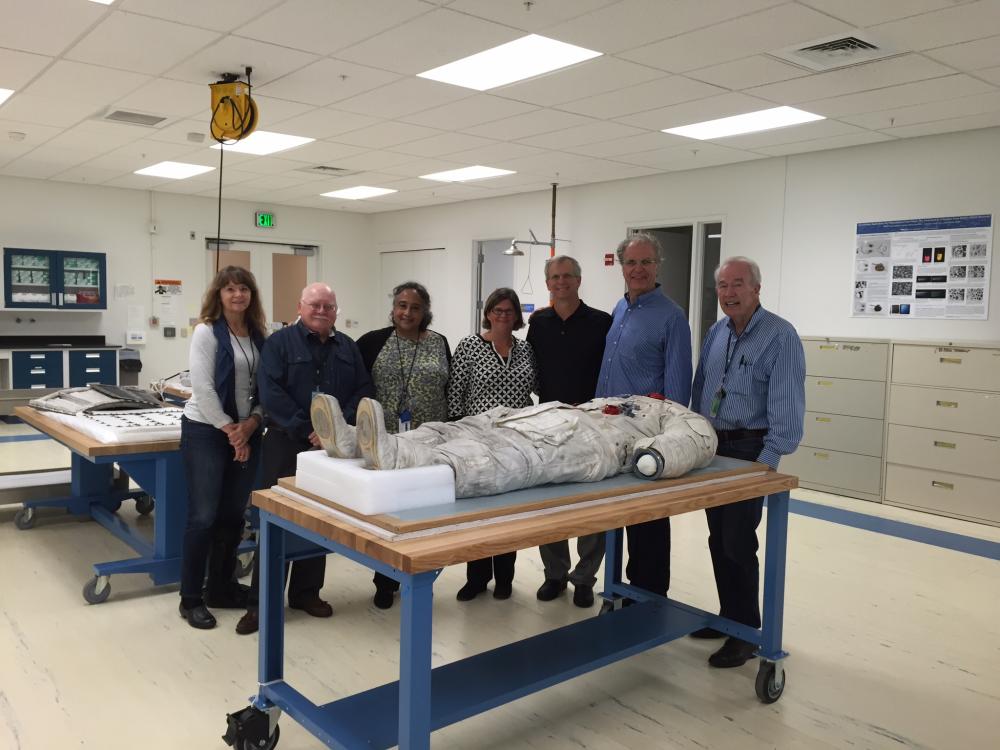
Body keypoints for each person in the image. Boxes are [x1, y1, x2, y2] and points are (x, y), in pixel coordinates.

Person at [235, 282, 373, 635]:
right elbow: (271, 392)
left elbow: (363, 389)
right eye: (315, 305)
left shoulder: (348, 347)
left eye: (329, 306)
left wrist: (334, 425)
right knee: (274, 522)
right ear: (300, 306)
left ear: (336, 311)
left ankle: (307, 593)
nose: (322, 311)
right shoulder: (279, 344)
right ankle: (261, 604)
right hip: (286, 444)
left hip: (331, 450)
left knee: (320, 522)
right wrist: (309, 427)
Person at [690, 256, 805, 668]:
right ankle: (729, 618)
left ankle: (746, 631)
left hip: (749, 451)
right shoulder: (717, 332)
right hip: (716, 449)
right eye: (722, 286)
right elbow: (702, 385)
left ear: (757, 289)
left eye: (737, 284)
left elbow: (788, 407)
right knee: (718, 538)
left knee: (739, 542)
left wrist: (767, 463)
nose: (728, 293)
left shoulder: (780, 336)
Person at [310, 393, 716, 495]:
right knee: (457, 428)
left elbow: (697, 439)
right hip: (546, 418)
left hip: (588, 446)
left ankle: (402, 456)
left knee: (499, 460)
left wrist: (655, 458)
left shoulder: (673, 413)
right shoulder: (622, 397)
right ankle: (357, 441)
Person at [596, 232, 692, 598]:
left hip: (646, 435)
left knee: (648, 521)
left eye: (646, 262)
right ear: (621, 266)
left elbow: (678, 388)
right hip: (610, 430)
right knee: (617, 517)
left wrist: (668, 442)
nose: (638, 269)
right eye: (632, 262)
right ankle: (618, 591)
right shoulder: (620, 309)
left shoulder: (671, 316)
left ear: (657, 266)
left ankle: (649, 596)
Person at [178, 266, 267, 630]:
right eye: (229, 289)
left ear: (251, 294)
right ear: (219, 295)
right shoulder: (206, 332)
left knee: (233, 515)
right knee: (203, 516)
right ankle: (191, 598)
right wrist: (232, 432)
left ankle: (220, 587)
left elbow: (266, 388)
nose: (237, 295)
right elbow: (203, 388)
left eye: (243, 288)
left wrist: (252, 423)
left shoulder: (261, 334)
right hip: (207, 430)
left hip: (246, 430)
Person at [356, 281, 451, 610]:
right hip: (388, 443)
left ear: (425, 311)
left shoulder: (439, 343)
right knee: (389, 516)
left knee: (424, 514)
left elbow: (448, 390)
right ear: (393, 308)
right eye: (401, 305)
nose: (406, 312)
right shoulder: (373, 342)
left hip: (428, 444)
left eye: (414, 307)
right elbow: (357, 386)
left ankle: (420, 577)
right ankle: (384, 580)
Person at [526, 256, 611, 608]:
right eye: (555, 277)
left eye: (567, 276)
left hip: (592, 425)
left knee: (592, 507)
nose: (561, 282)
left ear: (579, 280)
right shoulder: (538, 322)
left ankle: (585, 578)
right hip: (548, 422)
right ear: (548, 283)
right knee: (550, 505)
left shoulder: (602, 322)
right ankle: (555, 574)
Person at [448, 288, 536, 601]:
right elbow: (455, 394)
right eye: (497, 310)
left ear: (516, 317)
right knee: (479, 513)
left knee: (508, 513)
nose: (502, 316)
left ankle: (505, 579)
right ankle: (477, 578)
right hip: (477, 441)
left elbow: (535, 387)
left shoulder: (525, 350)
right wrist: (458, 435)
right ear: (487, 313)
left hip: (514, 441)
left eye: (508, 311)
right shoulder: (470, 346)